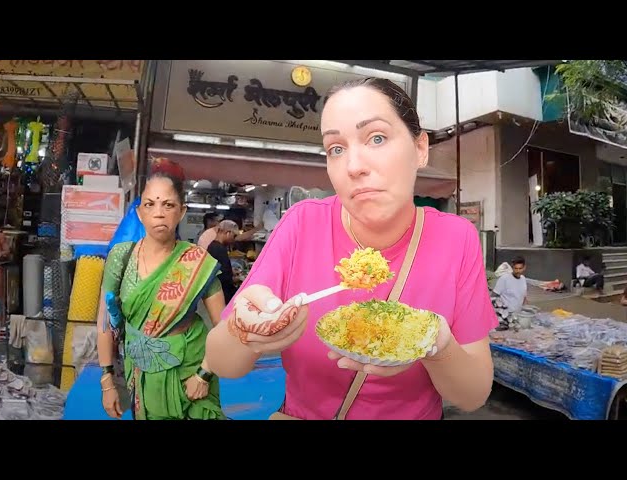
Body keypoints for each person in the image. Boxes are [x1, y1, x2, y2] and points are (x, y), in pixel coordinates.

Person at [204, 77, 498, 420]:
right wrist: (246, 333)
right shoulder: (302, 224)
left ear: (420, 148)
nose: (353, 166)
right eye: (336, 149)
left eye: (376, 138)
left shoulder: (456, 237)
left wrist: (438, 345)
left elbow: (474, 394)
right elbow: (223, 363)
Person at [96, 158, 227, 420]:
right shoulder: (120, 258)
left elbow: (224, 328)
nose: (159, 212)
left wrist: (205, 372)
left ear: (181, 211)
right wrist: (108, 381)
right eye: (150, 204)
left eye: (168, 204)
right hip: (141, 374)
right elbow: (104, 323)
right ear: (139, 212)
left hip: (190, 375)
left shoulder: (198, 262)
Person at [207, 220, 240, 304]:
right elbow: (222, 276)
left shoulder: (213, 246)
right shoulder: (219, 249)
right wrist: (235, 279)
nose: (234, 239)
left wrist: (231, 272)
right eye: (234, 235)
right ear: (228, 233)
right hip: (224, 293)